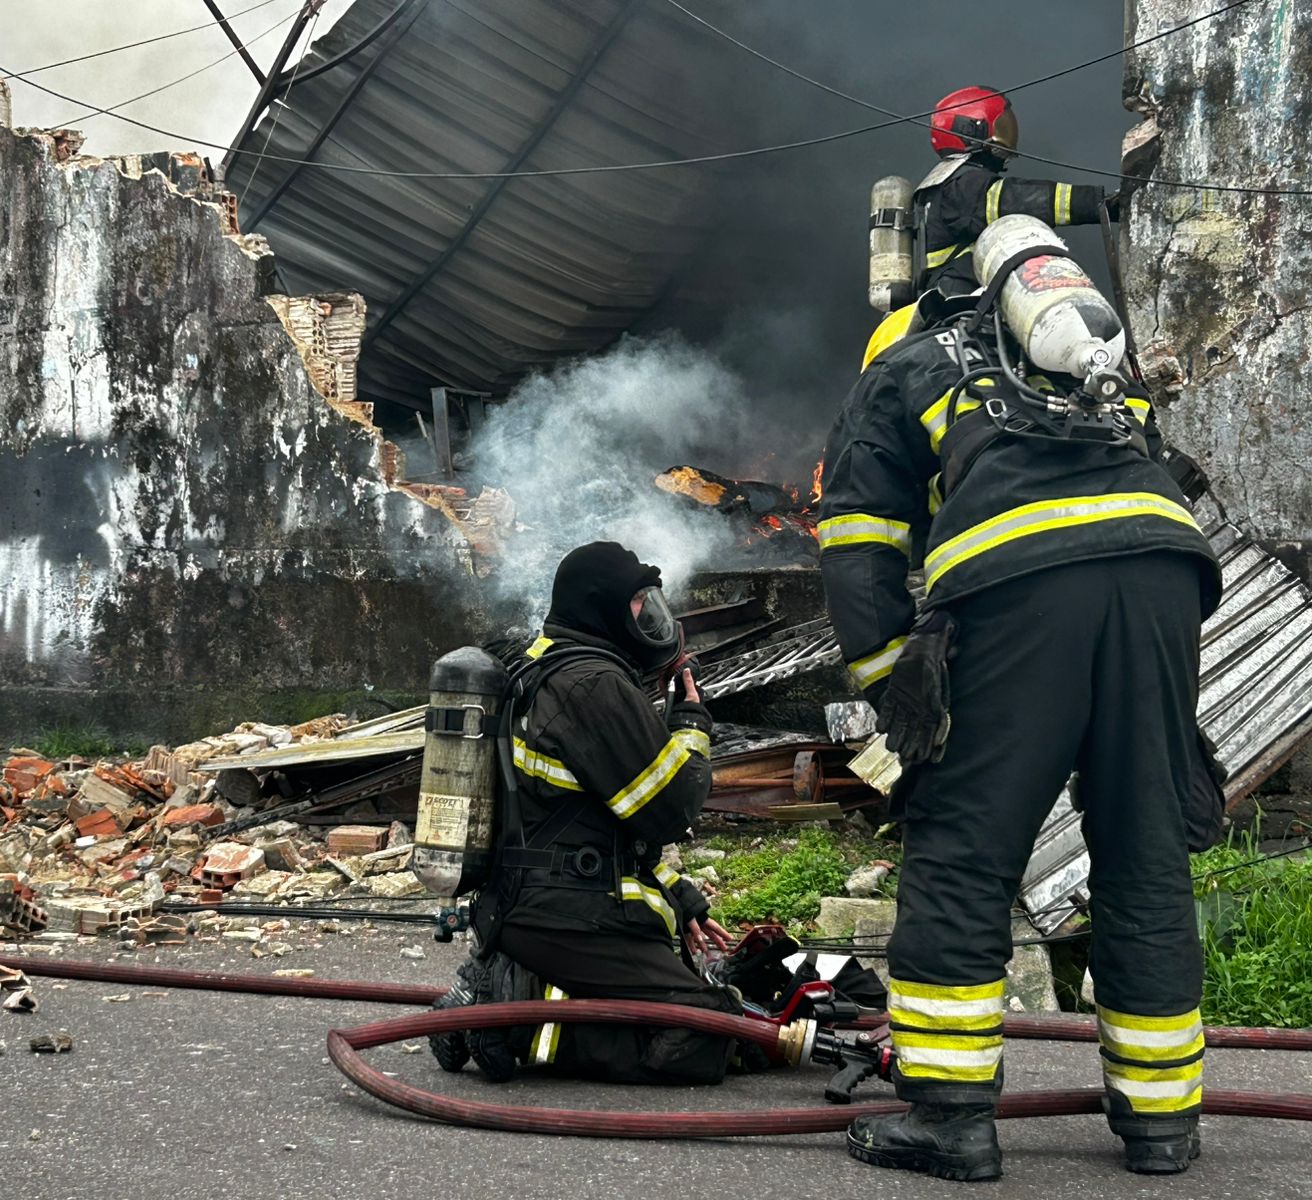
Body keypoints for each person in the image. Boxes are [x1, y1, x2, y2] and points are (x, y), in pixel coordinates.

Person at [819, 288, 1222, 1179]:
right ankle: (1161, 1127)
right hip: (1165, 574)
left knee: (964, 847)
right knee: (1145, 848)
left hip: (1022, 590)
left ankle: (951, 1120)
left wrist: (898, 689)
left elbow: (857, 542)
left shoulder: (898, 371)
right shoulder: (1079, 362)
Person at [433, 541, 746, 1085]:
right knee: (711, 1028)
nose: (651, 619)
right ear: (601, 607)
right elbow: (668, 810)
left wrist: (677, 892)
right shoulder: (591, 685)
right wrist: (692, 725)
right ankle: (512, 1026)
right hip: (568, 913)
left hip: (535, 906)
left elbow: (595, 821)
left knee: (712, 1015)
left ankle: (507, 985)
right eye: (638, 606)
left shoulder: (544, 666)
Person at [914, 86, 1113, 296]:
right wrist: (1102, 203)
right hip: (958, 302)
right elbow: (1022, 201)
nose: (1007, 135)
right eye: (1000, 126)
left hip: (954, 299)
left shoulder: (941, 183)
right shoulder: (965, 185)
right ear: (971, 131)